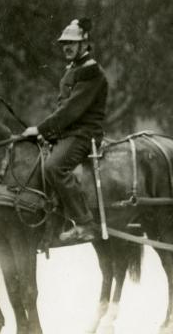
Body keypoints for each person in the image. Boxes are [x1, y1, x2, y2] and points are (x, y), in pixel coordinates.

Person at [22, 18, 108, 241]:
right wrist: (45, 133)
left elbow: (71, 111)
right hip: (68, 133)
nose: (67, 47)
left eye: (72, 43)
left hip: (83, 134)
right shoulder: (73, 68)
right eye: (64, 43)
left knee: (54, 167)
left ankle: (85, 223)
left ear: (84, 45)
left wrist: (41, 128)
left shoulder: (91, 72)